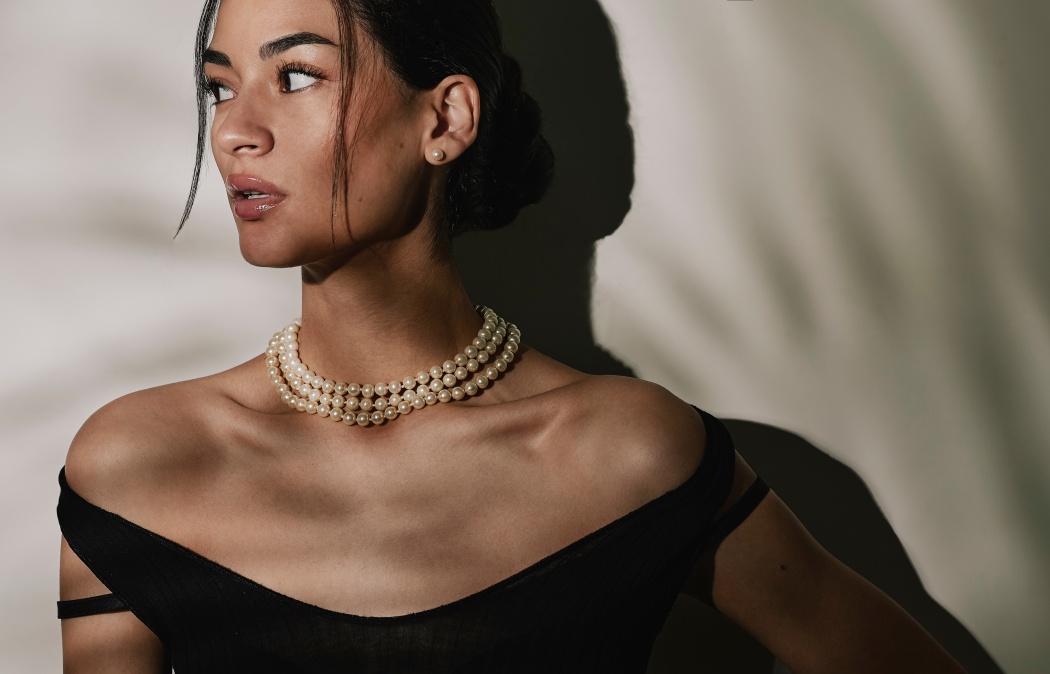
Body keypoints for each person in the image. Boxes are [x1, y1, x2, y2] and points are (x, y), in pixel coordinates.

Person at [56, 0, 968, 672]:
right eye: (219, 88)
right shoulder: (139, 464)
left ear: (445, 118)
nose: (234, 133)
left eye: (296, 76)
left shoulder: (627, 452)